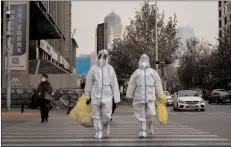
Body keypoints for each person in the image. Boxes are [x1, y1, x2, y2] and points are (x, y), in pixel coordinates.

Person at [85, 49, 120, 139]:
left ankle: (106, 124)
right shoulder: (93, 69)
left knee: (107, 115)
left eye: (104, 57)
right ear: (98, 56)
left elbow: (114, 83)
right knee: (96, 115)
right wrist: (87, 95)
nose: (102, 59)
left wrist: (116, 98)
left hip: (107, 95)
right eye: (101, 56)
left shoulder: (110, 69)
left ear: (107, 58)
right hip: (95, 94)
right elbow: (88, 82)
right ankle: (98, 131)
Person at [126, 54, 164, 138]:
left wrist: (160, 94)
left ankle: (150, 125)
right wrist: (129, 95)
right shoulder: (136, 72)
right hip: (139, 97)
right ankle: (142, 131)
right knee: (140, 115)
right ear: (140, 60)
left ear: (148, 60)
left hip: (150, 97)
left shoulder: (152, 72)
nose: (144, 59)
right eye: (142, 58)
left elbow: (158, 83)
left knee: (150, 114)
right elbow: (131, 84)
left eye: (145, 58)